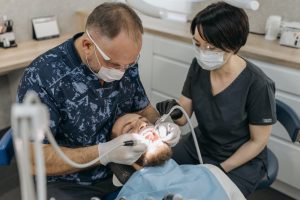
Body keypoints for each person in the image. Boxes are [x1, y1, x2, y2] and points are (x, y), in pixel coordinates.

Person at [16, 3, 163, 199]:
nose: (122, 72)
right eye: (114, 65)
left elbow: (143, 109)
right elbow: (34, 160)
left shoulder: (124, 63)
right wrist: (104, 153)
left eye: (130, 63)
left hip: (124, 169)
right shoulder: (43, 77)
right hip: (69, 182)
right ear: (88, 46)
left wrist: (162, 125)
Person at [156, 2, 277, 197]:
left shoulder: (258, 84)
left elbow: (258, 142)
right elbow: (184, 115)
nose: (202, 52)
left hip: (239, 160)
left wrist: (220, 169)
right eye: (197, 44)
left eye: (211, 47)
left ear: (233, 46)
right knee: (157, 173)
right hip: (200, 146)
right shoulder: (198, 67)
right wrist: (174, 110)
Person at [109, 113, 245, 200]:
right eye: (129, 129)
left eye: (145, 121)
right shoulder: (131, 195)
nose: (143, 124)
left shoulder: (209, 171)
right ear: (121, 154)